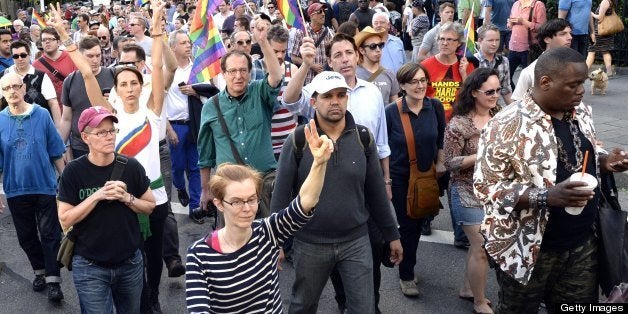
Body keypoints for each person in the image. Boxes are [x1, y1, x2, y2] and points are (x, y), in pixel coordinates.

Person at [474, 47, 628, 312]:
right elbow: (486, 187)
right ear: (545, 82)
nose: (581, 90)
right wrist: (545, 197)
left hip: (583, 245)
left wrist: (604, 161)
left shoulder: (580, 112)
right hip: (526, 249)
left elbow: (582, 150)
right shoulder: (505, 124)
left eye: (584, 82)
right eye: (574, 85)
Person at [50, 2, 169, 311]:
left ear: (141, 86)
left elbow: (157, 67)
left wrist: (155, 26)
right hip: (118, 195)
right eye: (123, 84)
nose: (130, 88)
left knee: (153, 257)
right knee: (130, 257)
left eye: (134, 83)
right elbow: (88, 75)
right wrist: (65, 36)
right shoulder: (109, 116)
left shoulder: (152, 112)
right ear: (115, 90)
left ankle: (152, 298)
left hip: (152, 194)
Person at [273, 71, 402, 313]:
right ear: (313, 101)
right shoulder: (298, 140)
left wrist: (392, 235)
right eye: (328, 96)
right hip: (309, 243)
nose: (336, 101)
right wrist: (277, 242)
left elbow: (376, 193)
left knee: (363, 308)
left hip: (356, 242)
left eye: (341, 95)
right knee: (302, 306)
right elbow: (281, 195)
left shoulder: (364, 138)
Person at [186, 119, 333, 313]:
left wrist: (319, 164)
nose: (247, 208)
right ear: (219, 204)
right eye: (237, 201)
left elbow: (305, 201)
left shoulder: (268, 231)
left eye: (252, 199)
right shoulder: (199, 255)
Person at [57, 106, 155, 313]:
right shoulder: (74, 172)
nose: (109, 137)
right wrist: (97, 196)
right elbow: (65, 219)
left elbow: (150, 206)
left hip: (130, 262)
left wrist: (127, 198)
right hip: (90, 266)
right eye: (101, 132)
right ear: (85, 137)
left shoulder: (131, 166)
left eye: (112, 131)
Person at [197, 17, 283, 221]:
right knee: (233, 244)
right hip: (229, 189)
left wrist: (263, 42)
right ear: (224, 74)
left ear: (250, 73)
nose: (238, 76)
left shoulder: (260, 93)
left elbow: (276, 77)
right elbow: (205, 155)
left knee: (270, 239)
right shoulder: (211, 107)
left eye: (243, 70)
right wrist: (206, 189)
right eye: (233, 71)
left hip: (264, 184)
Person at [0, 72, 66, 302]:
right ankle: (39, 271)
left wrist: (65, 182)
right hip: (16, 189)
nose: (12, 91)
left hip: (44, 187)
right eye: (6, 88)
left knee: (50, 235)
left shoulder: (42, 115)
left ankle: (53, 280)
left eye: (16, 86)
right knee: (26, 237)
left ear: (24, 88)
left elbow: (56, 150)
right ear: (2, 92)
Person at [384, 63, 444, 297]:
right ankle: (406, 274)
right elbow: (383, 148)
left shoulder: (435, 106)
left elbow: (441, 137)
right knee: (408, 226)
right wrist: (386, 180)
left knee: (419, 223)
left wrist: (440, 162)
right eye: (414, 81)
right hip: (401, 178)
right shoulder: (391, 111)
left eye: (423, 80)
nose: (420, 86)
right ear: (403, 85)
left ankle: (406, 262)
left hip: (427, 177)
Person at [444, 68, 499, 314]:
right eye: (489, 91)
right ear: (475, 92)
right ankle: (479, 301)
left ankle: (468, 289)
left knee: (477, 247)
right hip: (465, 191)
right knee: (482, 246)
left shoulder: (500, 116)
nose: (495, 95)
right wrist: (481, 155)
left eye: (498, 90)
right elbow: (450, 163)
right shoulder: (458, 124)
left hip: (495, 192)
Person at [59, 36, 116, 159]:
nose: (95, 60)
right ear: (80, 56)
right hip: (80, 146)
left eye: (98, 55)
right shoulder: (70, 80)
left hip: (110, 143)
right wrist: (59, 147)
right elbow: (66, 118)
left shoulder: (114, 75)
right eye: (90, 56)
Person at [421, 22, 474, 122]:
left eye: (449, 39)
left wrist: (464, 75)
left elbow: (473, 97)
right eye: (442, 39)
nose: (445, 43)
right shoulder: (425, 66)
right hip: (432, 121)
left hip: (459, 122)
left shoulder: (467, 66)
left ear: (459, 43)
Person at [512, 19, 573, 101]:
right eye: (563, 34)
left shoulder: (572, 67)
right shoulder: (530, 72)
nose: (570, 37)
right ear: (547, 39)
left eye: (570, 33)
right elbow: (517, 102)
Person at [3, 40, 61, 125]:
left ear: (29, 54)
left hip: (37, 124)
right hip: (11, 124)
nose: (20, 59)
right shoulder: (5, 75)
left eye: (23, 55)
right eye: (16, 56)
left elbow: (53, 103)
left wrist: (58, 129)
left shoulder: (41, 76)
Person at [290, 1, 335, 84]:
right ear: (311, 15)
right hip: (309, 79)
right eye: (319, 12)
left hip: (326, 79)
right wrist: (312, 65)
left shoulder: (330, 33)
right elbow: (293, 57)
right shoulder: (301, 33)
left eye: (324, 11)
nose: (323, 14)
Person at [33, 27, 78, 107]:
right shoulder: (36, 65)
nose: (47, 42)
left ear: (58, 42)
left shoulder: (72, 57)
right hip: (50, 110)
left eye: (51, 39)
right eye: (44, 40)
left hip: (73, 106)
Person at [506, 0, 546, 89]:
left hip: (529, 49)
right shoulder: (516, 4)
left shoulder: (538, 5)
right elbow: (509, 26)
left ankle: (528, 100)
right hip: (513, 46)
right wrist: (510, 23)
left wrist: (524, 21)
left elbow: (542, 28)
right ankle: (515, 98)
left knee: (529, 80)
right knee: (506, 77)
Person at [355, 26, 400, 104]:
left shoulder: (390, 74)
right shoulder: (354, 75)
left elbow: (394, 106)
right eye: (373, 46)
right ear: (362, 50)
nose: (378, 49)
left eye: (380, 45)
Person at [474, 24, 512, 107]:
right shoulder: (472, 61)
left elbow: (506, 90)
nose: (494, 44)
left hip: (494, 108)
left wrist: (514, 110)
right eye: (490, 40)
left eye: (497, 40)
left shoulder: (504, 61)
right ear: (480, 41)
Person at [586, 0, 615, 76]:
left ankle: (584, 71)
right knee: (605, 51)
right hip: (606, 31)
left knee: (591, 51)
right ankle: (609, 72)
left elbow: (600, 17)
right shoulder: (611, 2)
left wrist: (592, 14)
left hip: (599, 31)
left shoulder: (605, 2)